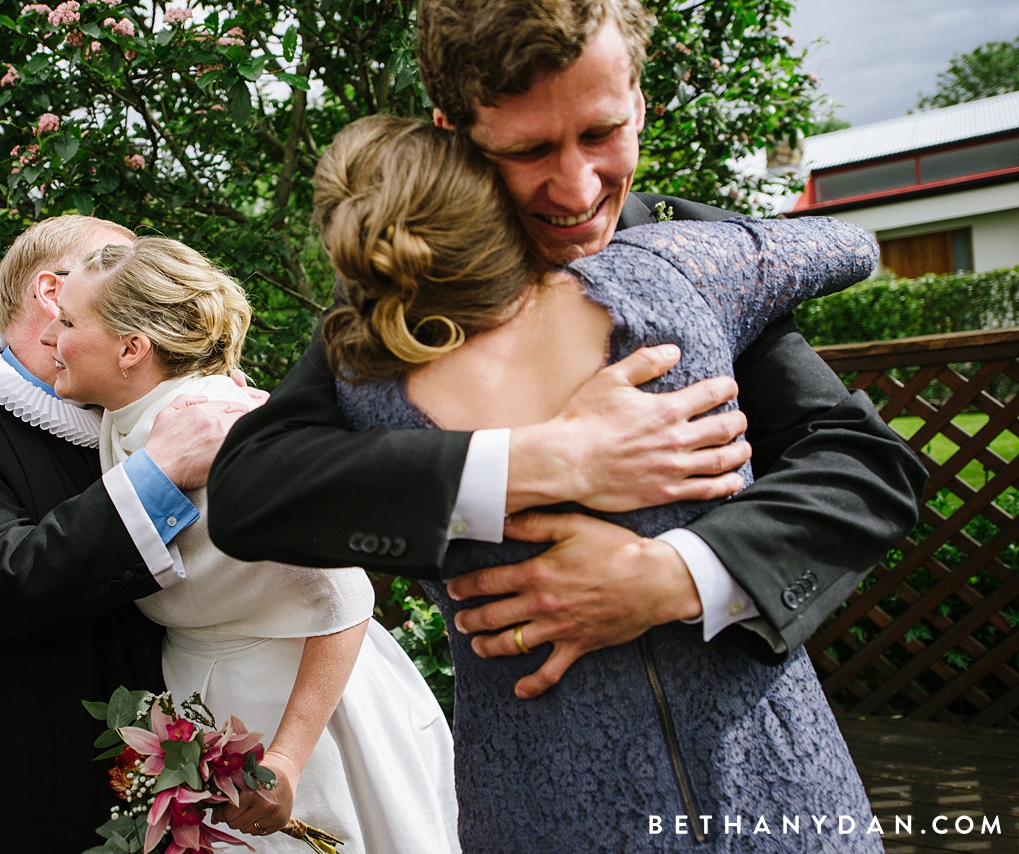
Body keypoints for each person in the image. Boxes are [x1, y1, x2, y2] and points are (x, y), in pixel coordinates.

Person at [208, 0, 925, 702]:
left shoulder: (689, 253)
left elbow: (865, 463)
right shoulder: (402, 288)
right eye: (528, 149)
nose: (579, 190)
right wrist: (545, 459)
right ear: (452, 131)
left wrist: (677, 574)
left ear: (638, 102)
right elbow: (253, 491)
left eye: (602, 131)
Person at [318, 114, 891, 851]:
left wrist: (677, 573)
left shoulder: (359, 389)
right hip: (770, 788)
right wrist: (673, 224)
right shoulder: (671, 274)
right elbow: (848, 243)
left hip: (535, 798)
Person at [38, 236, 460, 853]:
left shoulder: (220, 427)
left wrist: (285, 762)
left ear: (133, 348)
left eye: (68, 322)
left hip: (303, 713)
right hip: (205, 701)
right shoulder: (126, 416)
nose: (51, 337)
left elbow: (345, 594)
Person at [0, 216, 256, 853]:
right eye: (123, 273)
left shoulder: (140, 412)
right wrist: (157, 474)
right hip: (15, 795)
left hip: (166, 775)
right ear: (53, 293)